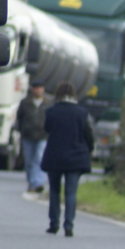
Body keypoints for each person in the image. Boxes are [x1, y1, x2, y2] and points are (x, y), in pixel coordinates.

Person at [41, 82, 94, 237]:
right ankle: (69, 225)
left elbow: (47, 129)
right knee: (71, 192)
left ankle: (54, 224)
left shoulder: (51, 111)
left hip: (55, 157)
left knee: (54, 191)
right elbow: (88, 135)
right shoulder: (82, 113)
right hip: (76, 158)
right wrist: (89, 150)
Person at [16, 81, 51, 193]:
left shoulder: (49, 103)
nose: (38, 90)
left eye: (40, 88)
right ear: (32, 90)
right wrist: (22, 130)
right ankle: (31, 182)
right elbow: (19, 118)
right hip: (28, 135)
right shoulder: (25, 102)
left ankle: (38, 182)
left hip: (43, 135)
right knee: (29, 160)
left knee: (39, 158)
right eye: (36, 88)